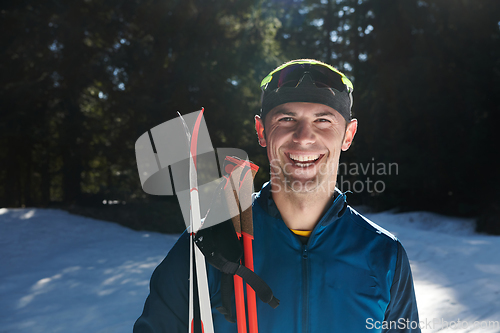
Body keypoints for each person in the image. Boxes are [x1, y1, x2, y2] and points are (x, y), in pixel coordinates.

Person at [134, 59, 420, 332]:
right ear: (261, 130)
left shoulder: (384, 255)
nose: (304, 136)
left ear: (348, 134)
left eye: (323, 120)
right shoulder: (209, 243)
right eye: (286, 118)